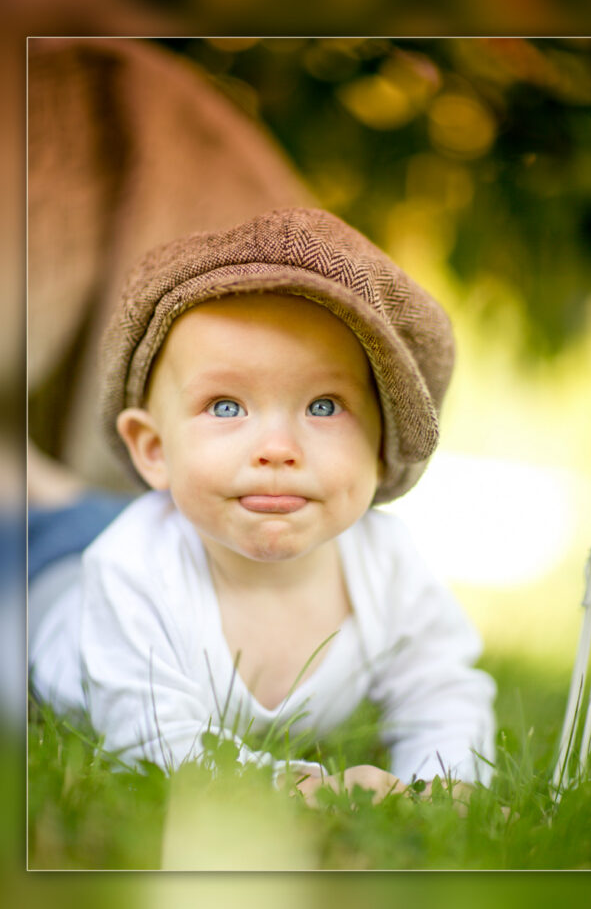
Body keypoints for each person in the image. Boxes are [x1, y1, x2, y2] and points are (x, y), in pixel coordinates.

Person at [29, 207, 495, 804]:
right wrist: (300, 787)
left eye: (324, 406)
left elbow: (443, 691)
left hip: (123, 523)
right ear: (153, 449)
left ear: (383, 449)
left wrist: (439, 789)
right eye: (226, 406)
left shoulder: (389, 564)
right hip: (43, 585)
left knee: (78, 508)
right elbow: (153, 741)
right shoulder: (128, 569)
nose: (277, 448)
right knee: (45, 521)